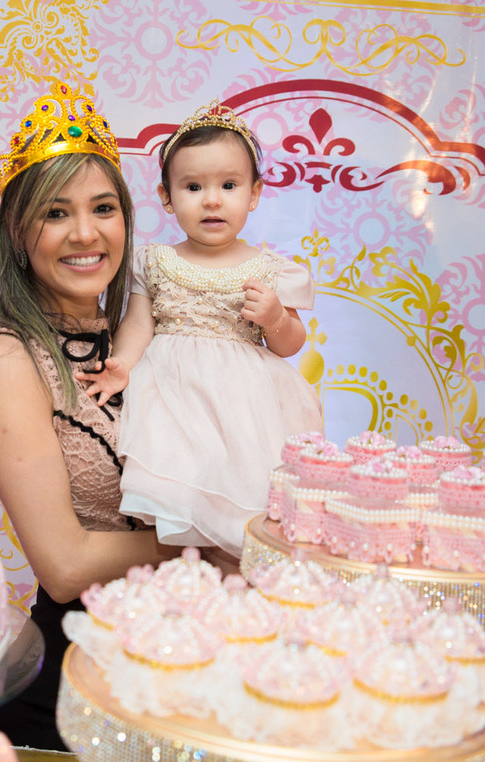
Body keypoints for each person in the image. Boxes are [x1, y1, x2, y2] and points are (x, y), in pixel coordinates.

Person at [0, 82, 170, 750]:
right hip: (76, 687)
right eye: (56, 213)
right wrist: (215, 543)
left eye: (103, 208)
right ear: (19, 233)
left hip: (180, 667)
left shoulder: (144, 340)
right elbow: (65, 563)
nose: (86, 233)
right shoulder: (8, 362)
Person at [80, 100, 324, 566]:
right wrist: (123, 365)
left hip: (245, 407)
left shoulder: (271, 269)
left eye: (229, 185)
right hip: (173, 397)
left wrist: (275, 317)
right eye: (193, 187)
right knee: (181, 499)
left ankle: (236, 581)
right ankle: (189, 578)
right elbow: (139, 323)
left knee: (244, 503)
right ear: (167, 197)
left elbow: (290, 344)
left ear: (254, 193)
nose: (212, 200)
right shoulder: (155, 261)